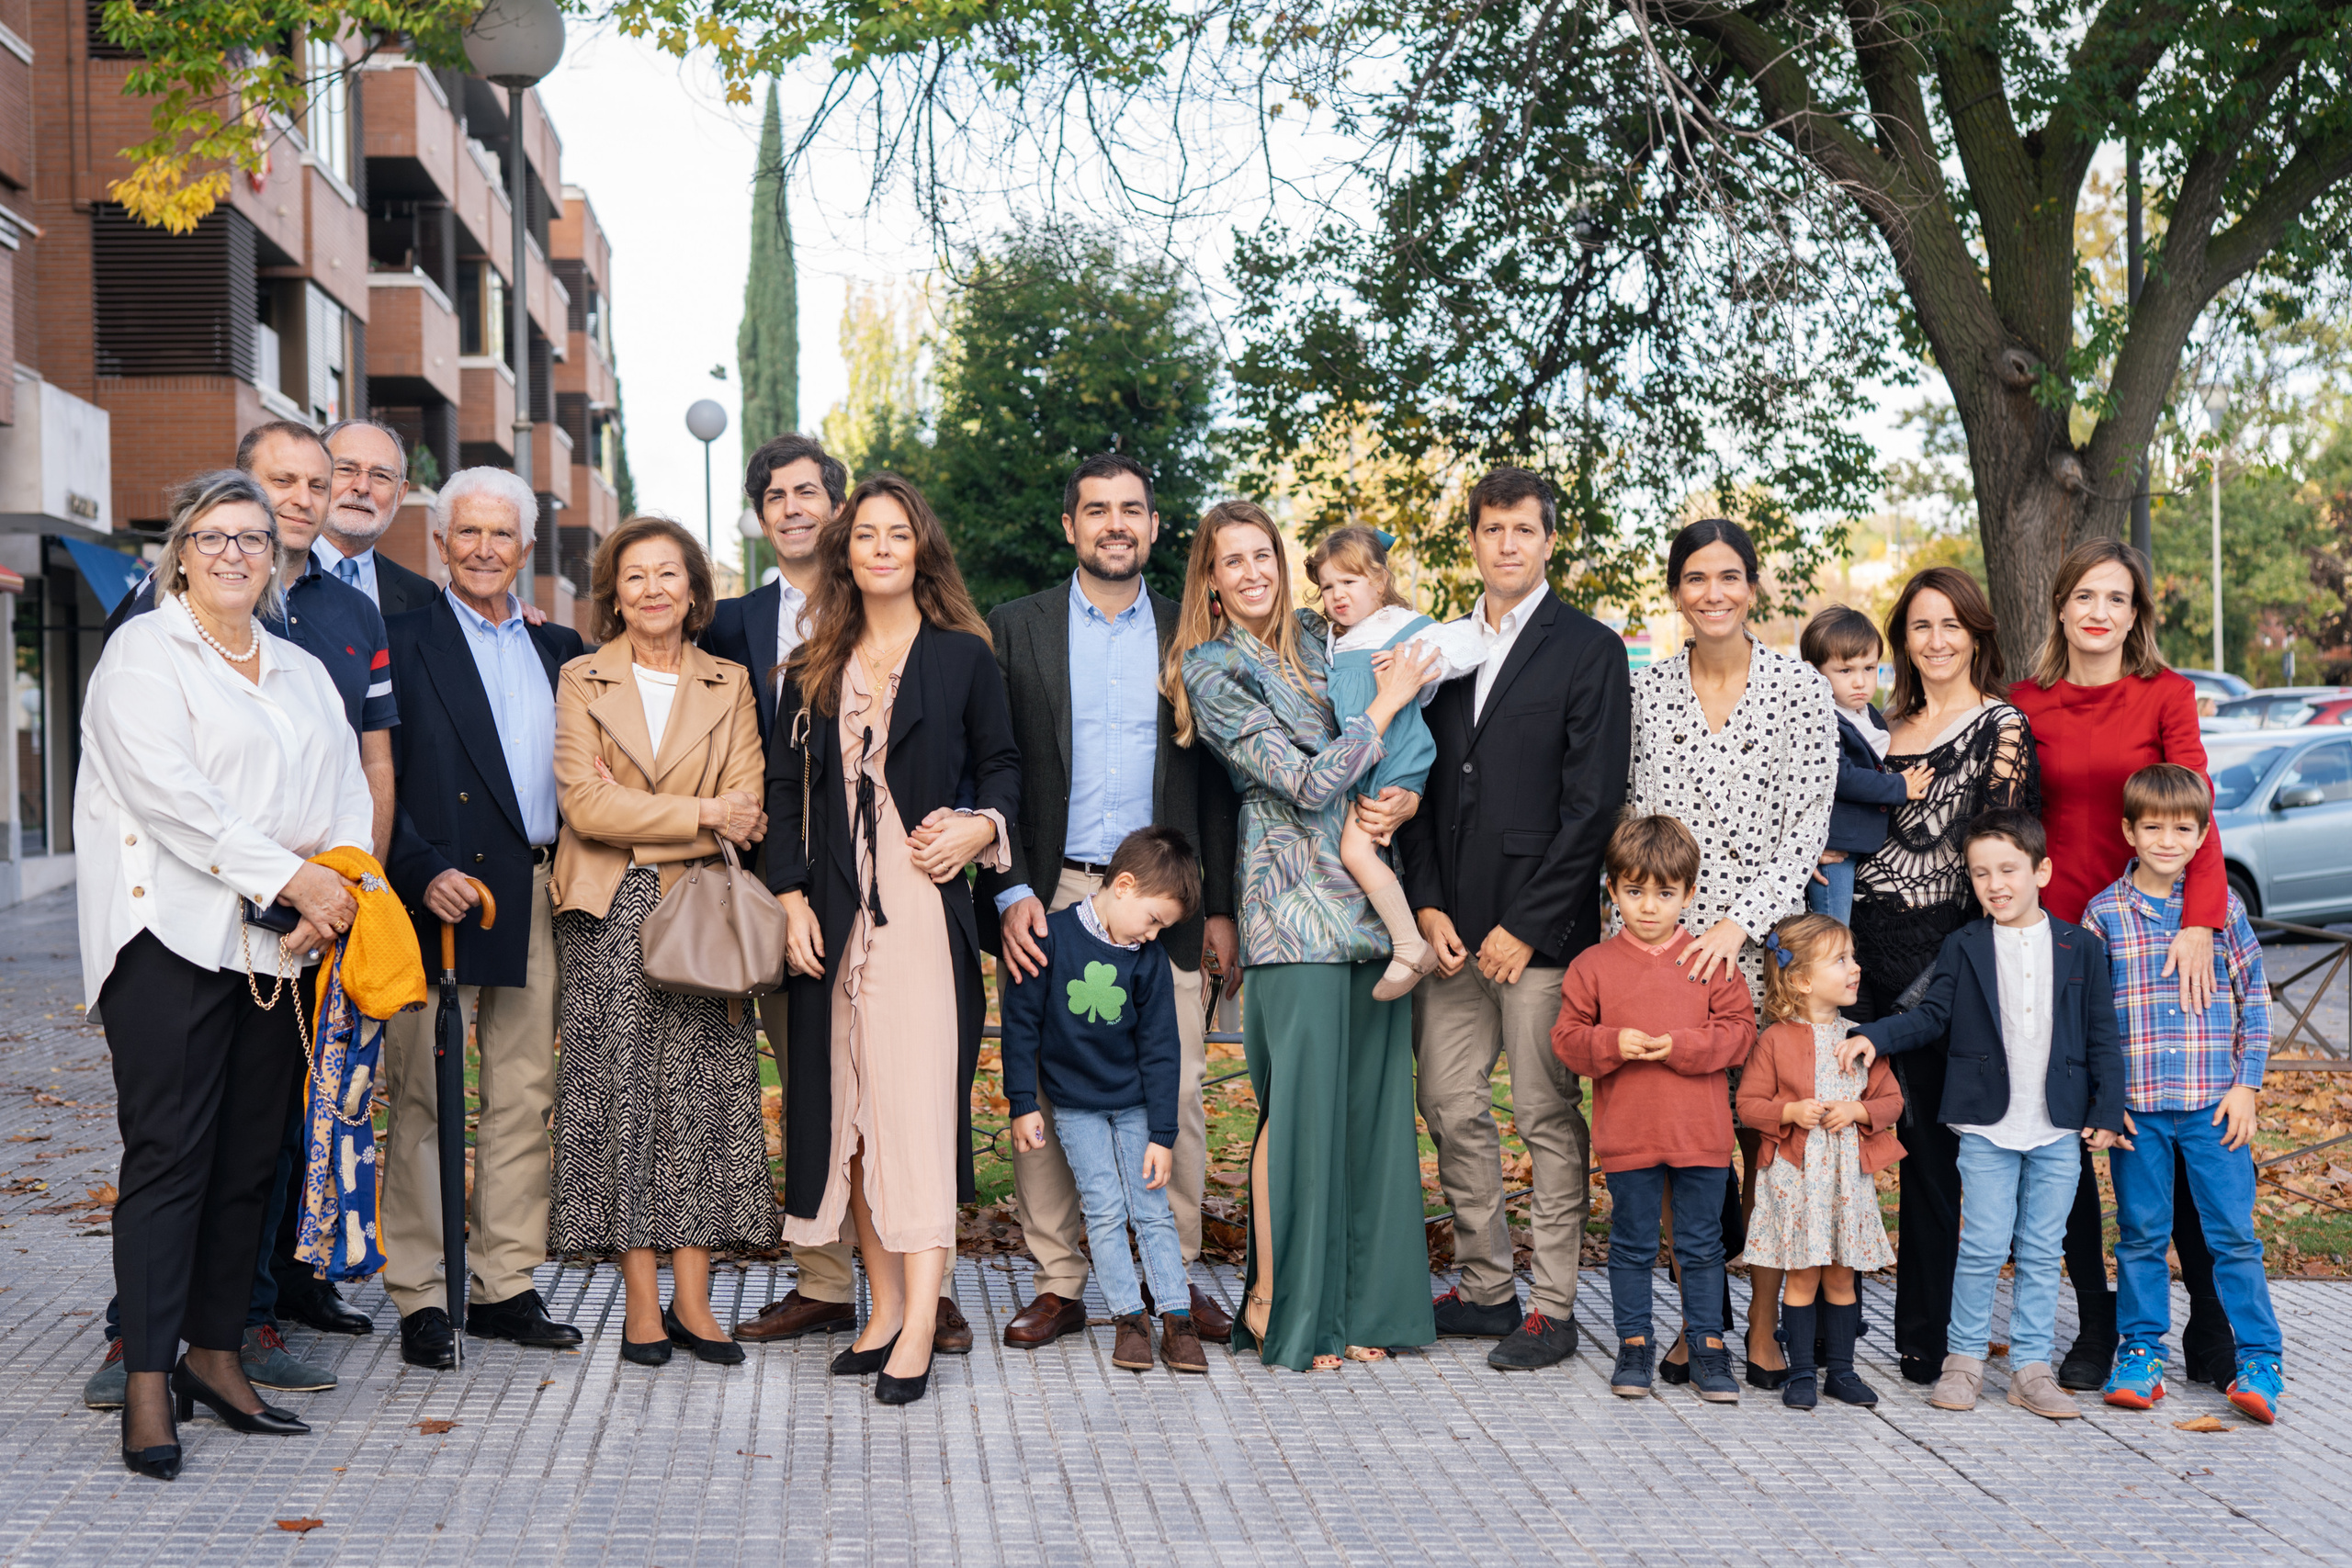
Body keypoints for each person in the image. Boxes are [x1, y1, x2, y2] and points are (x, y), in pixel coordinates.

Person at [84, 420, 399, 1411]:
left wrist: (334, 889)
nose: (231, 554)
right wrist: (294, 881)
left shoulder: (302, 670)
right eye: (212, 537)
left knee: (249, 1160)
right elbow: (175, 801)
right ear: (180, 555)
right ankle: (145, 1376)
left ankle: (217, 1356)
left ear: (274, 559)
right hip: (167, 939)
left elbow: (348, 792)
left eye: (250, 540)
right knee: (171, 1157)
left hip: (282, 951)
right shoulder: (145, 655)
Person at [767, 475, 1021, 1407]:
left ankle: (921, 1319)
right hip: (833, 916)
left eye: (897, 533)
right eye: (864, 534)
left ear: (921, 549)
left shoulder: (963, 657)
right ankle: (879, 1308)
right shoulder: (812, 666)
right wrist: (789, 896)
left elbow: (1004, 766)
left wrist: (982, 829)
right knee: (856, 1118)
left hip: (920, 906)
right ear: (845, 552)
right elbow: (787, 796)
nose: (880, 547)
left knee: (915, 1116)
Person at [978, 453, 1240, 1351]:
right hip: (1053, 887)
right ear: (1071, 527)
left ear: (1155, 526)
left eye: (1132, 509)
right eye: (1097, 511)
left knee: (1182, 1087)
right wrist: (1008, 885)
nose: (1115, 524)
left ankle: (1172, 1283)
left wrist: (1217, 905)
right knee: (1049, 1088)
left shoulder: (1189, 634)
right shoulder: (1015, 630)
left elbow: (1211, 782)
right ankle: (1059, 1284)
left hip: (1163, 902)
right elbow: (994, 765)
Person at [1172, 499, 1439, 1371]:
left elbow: (1392, 750)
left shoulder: (1331, 645)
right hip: (1290, 907)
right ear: (1210, 578)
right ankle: (1283, 1309)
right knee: (1299, 1119)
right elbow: (1304, 778)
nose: (1252, 572)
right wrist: (1387, 704)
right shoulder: (1208, 669)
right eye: (1232, 560)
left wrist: (1405, 796)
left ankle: (1361, 1308)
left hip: (1371, 906)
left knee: (1368, 1118)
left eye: (1264, 556)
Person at [1397, 466, 1631, 1372]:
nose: (1506, 544)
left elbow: (1593, 805)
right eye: (1490, 529)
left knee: (1542, 1114)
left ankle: (1556, 1307)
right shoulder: (1442, 649)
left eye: (1522, 530)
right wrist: (1424, 904)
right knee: (1449, 1104)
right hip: (1450, 931)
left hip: (1538, 937)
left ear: (1548, 541)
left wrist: (1527, 924)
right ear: (1473, 540)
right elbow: (1411, 780)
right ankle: (1488, 1288)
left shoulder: (1588, 650)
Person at [2007, 539, 2235, 1391]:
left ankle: (2209, 1318)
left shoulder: (2165, 695)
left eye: (2118, 598)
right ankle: (2098, 1323)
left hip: (2154, 941)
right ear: (2061, 605)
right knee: (2069, 1134)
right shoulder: (2022, 703)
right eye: (2085, 596)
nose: (2100, 611)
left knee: (2165, 1127)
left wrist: (2202, 921)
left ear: (2136, 615)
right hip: (2058, 940)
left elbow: (2197, 807)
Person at [548, 515, 775, 1371]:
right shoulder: (581, 677)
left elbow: (747, 806)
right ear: (614, 590)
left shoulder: (729, 680)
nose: (652, 589)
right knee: (623, 1102)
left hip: (705, 913)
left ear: (693, 590)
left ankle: (697, 1301)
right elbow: (583, 804)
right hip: (607, 913)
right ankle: (642, 1306)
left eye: (668, 574)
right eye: (634, 575)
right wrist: (701, 812)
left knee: (704, 1106)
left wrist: (659, 817)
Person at [379, 467, 586, 1371]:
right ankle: (422, 1294)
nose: (484, 550)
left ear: (527, 550)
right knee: (422, 1099)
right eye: (468, 532)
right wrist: (420, 869)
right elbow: (372, 775)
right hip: (435, 896)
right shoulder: (401, 638)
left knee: (521, 1096)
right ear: (439, 540)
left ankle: (504, 1284)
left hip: (534, 890)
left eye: (502, 536)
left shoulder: (562, 648)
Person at [1623, 517, 1836, 1386]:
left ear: (1754, 587)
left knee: (1765, 1141)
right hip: (1663, 954)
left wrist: (1735, 923)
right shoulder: (1649, 693)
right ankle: (1694, 1321)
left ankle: (1758, 1324)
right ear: (1676, 590)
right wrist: (1658, 934)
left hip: (1760, 952)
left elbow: (1805, 832)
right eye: (1695, 578)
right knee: (1683, 1146)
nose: (1713, 593)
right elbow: (1631, 824)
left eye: (1730, 577)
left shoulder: (1799, 690)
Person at [697, 435, 896, 1349]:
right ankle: (822, 1279)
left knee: (889, 1084)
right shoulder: (730, 624)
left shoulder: (885, 607)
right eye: (774, 494)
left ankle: (911, 1281)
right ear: (760, 512)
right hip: (770, 891)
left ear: (837, 503)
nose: (792, 507)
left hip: (880, 883)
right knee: (807, 1084)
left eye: (808, 491)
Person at [1843, 809, 2126, 1420]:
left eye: (2007, 869)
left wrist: (2107, 1106)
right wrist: (1876, 1036)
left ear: (2041, 870)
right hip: (1988, 1125)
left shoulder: (2082, 947)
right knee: (1981, 1245)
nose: (1995, 884)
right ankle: (1964, 1359)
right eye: (1980, 873)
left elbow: (2104, 1034)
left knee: (2042, 1245)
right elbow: (1931, 1015)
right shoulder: (1965, 945)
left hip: (2055, 1125)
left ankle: (2029, 1366)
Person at [1846, 565, 2037, 1383]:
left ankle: (1926, 1335)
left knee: (1929, 1154)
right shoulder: (1878, 725)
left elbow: (1998, 846)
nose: (1937, 640)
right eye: (1921, 626)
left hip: (1943, 954)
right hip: (1855, 952)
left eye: (1952, 623)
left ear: (1977, 634)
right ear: (1904, 641)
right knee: (1841, 1141)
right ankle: (1827, 1330)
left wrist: (1958, 970)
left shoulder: (2002, 726)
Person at [2084, 764, 2284, 1424]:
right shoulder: (2105, 913)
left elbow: (2255, 998)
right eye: (2153, 826)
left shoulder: (2221, 910)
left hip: (2212, 1106)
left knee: (2232, 1235)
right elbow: (2089, 1018)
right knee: (2141, 1233)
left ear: (2202, 836)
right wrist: (2105, 1101)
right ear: (2128, 831)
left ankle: (2258, 1357)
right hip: (2139, 1111)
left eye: (2182, 828)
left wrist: (2247, 1085)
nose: (2167, 839)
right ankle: (2140, 1352)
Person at [1550, 814, 1756, 1402]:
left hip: (1701, 1135)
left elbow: (1740, 1032)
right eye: (1634, 891)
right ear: (1612, 889)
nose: (1648, 907)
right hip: (1630, 1135)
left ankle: (1709, 1347)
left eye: (1664, 894)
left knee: (1700, 1245)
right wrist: (1611, 1043)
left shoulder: (1711, 961)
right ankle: (1634, 1344)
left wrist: (1686, 1047)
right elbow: (1567, 1039)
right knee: (1633, 1243)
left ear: (1688, 894)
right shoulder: (1593, 965)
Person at [1001, 826, 1208, 1375]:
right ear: (1123, 886)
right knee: (1105, 1210)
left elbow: (1162, 1050)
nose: (1152, 934)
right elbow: (1020, 1026)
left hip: (1137, 1104)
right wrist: (1023, 1101)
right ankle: (1129, 1321)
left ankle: (1176, 1318)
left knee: (1151, 1209)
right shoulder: (1051, 937)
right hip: (1076, 1108)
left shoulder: (1147, 960)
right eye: (1154, 919)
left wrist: (1163, 1135)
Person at [1302, 525, 1483, 998]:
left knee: (1355, 850)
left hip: (1395, 756)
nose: (1338, 595)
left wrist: (1423, 665)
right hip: (1364, 760)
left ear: (1379, 582)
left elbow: (1469, 642)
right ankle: (1399, 940)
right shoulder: (1335, 642)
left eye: (1350, 582)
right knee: (1367, 846)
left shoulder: (1401, 626)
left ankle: (1409, 945)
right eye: (1328, 587)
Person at [1737, 912, 1901, 1410]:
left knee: (1840, 1274)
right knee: (1804, 1273)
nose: (1855, 968)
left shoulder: (1861, 1039)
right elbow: (1747, 1104)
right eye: (1841, 960)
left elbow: (1892, 1101)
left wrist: (1857, 1109)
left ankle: (1843, 1372)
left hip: (1846, 1181)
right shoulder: (1775, 1040)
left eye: (1852, 957)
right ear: (1802, 979)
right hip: (1795, 1179)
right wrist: (1788, 1111)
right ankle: (1802, 1372)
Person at [1799, 604, 1929, 924]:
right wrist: (1899, 785)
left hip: (1866, 844)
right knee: (1833, 927)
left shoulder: (1868, 714)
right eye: (1845, 671)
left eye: (1869, 668)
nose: (1860, 682)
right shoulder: (1819, 717)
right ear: (1812, 672)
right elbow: (1842, 776)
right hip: (1834, 849)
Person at [318, 419, 442, 616]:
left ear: (400, 495)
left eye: (381, 476)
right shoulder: (266, 575)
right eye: (347, 469)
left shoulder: (423, 598)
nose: (362, 487)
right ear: (315, 478)